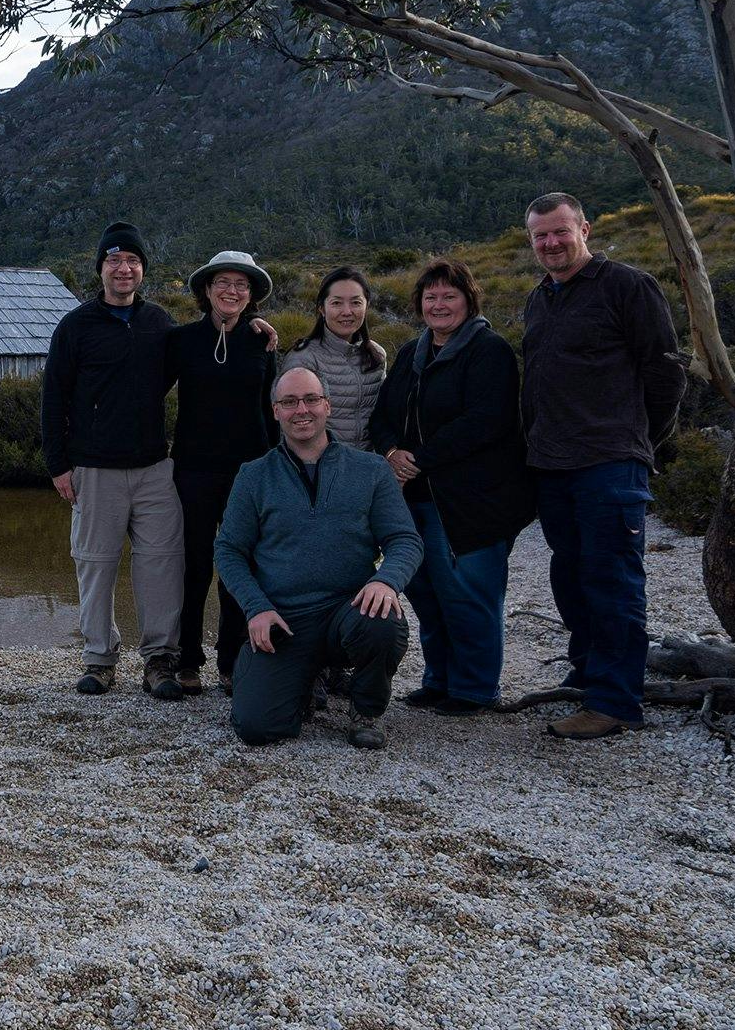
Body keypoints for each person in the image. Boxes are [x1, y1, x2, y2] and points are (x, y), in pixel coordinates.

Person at [521, 192, 687, 741]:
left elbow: (666, 374)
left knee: (612, 578)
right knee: (569, 575)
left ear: (585, 229)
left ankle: (615, 701)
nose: (551, 243)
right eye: (541, 235)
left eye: (560, 231)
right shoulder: (540, 299)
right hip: (552, 464)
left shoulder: (628, 286)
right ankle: (589, 672)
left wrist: (637, 440)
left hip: (609, 463)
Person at [213, 366, 421, 750]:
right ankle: (306, 680)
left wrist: (385, 581)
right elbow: (228, 550)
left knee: (384, 622)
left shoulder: (371, 469)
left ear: (327, 405)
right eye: (289, 402)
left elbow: (405, 539)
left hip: (350, 610)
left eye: (311, 399)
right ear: (276, 411)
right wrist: (256, 608)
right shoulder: (254, 476)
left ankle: (366, 709)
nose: (301, 410)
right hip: (284, 619)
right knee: (257, 727)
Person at [369, 258, 535, 716]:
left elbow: (485, 421)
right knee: (426, 592)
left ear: (468, 300)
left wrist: (419, 459)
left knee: (470, 594)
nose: (439, 304)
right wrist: (391, 452)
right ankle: (438, 679)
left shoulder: (489, 350)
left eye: (449, 295)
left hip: (470, 500)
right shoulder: (412, 352)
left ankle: (475, 689)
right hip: (414, 498)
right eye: (431, 297)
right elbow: (382, 415)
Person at [41, 221, 186, 699]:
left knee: (161, 566)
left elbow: (197, 359)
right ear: (101, 268)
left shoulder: (160, 323)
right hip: (93, 469)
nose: (124, 269)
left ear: (143, 269)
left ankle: (160, 660)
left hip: (154, 469)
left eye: (133, 261)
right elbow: (53, 398)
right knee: (95, 565)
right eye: (115, 260)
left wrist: (252, 327)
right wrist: (58, 465)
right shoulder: (75, 326)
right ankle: (100, 659)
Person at [166, 250, 279, 697]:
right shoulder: (183, 340)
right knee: (193, 565)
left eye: (241, 285)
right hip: (193, 470)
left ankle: (231, 660)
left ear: (250, 295)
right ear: (207, 290)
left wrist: (276, 465)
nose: (232, 291)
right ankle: (187, 659)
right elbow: (147, 392)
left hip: (248, 473)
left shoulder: (262, 341)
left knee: (238, 565)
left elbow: (270, 410)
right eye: (223, 283)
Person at [283, 267, 387, 449]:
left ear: (367, 306)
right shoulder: (303, 359)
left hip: (369, 461)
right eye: (337, 303)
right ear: (322, 308)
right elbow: (291, 424)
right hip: (321, 462)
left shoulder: (376, 355)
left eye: (356, 302)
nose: (347, 311)